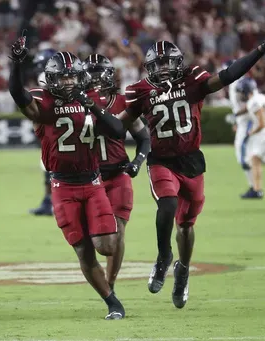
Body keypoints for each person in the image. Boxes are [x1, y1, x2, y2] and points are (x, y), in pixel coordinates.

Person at [118, 21, 265, 308]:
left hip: (192, 160)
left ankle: (182, 271)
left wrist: (263, 48)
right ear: (149, 69)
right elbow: (119, 123)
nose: (164, 70)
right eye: (158, 65)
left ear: (179, 63)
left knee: (186, 225)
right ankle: (162, 258)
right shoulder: (140, 91)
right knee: (167, 204)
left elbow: (228, 75)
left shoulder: (193, 79)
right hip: (162, 160)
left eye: (168, 64)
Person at [8, 35, 126, 319]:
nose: (68, 83)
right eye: (62, 79)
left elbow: (118, 131)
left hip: (93, 182)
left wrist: (92, 105)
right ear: (51, 80)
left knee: (107, 246)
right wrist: (15, 64)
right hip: (62, 186)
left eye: (72, 78)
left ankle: (109, 289)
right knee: (84, 252)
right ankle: (113, 303)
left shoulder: (91, 99)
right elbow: (18, 94)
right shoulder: (42, 102)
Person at [83, 54, 150, 292]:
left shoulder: (122, 102)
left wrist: (137, 162)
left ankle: (110, 284)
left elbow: (143, 138)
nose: (96, 80)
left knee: (118, 230)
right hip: (89, 179)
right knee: (96, 240)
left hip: (118, 173)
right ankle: (101, 278)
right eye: (91, 74)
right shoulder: (77, 103)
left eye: (99, 74)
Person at [224, 61, 265, 199]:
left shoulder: (248, 92)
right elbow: (248, 107)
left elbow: (260, 119)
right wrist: (237, 117)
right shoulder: (251, 95)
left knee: (245, 159)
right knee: (253, 157)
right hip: (264, 130)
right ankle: (258, 186)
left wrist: (250, 130)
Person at [28, 48, 58, 216]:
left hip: (55, 125)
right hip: (64, 122)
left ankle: (54, 204)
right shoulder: (64, 76)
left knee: (51, 166)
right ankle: (48, 203)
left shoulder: (45, 77)